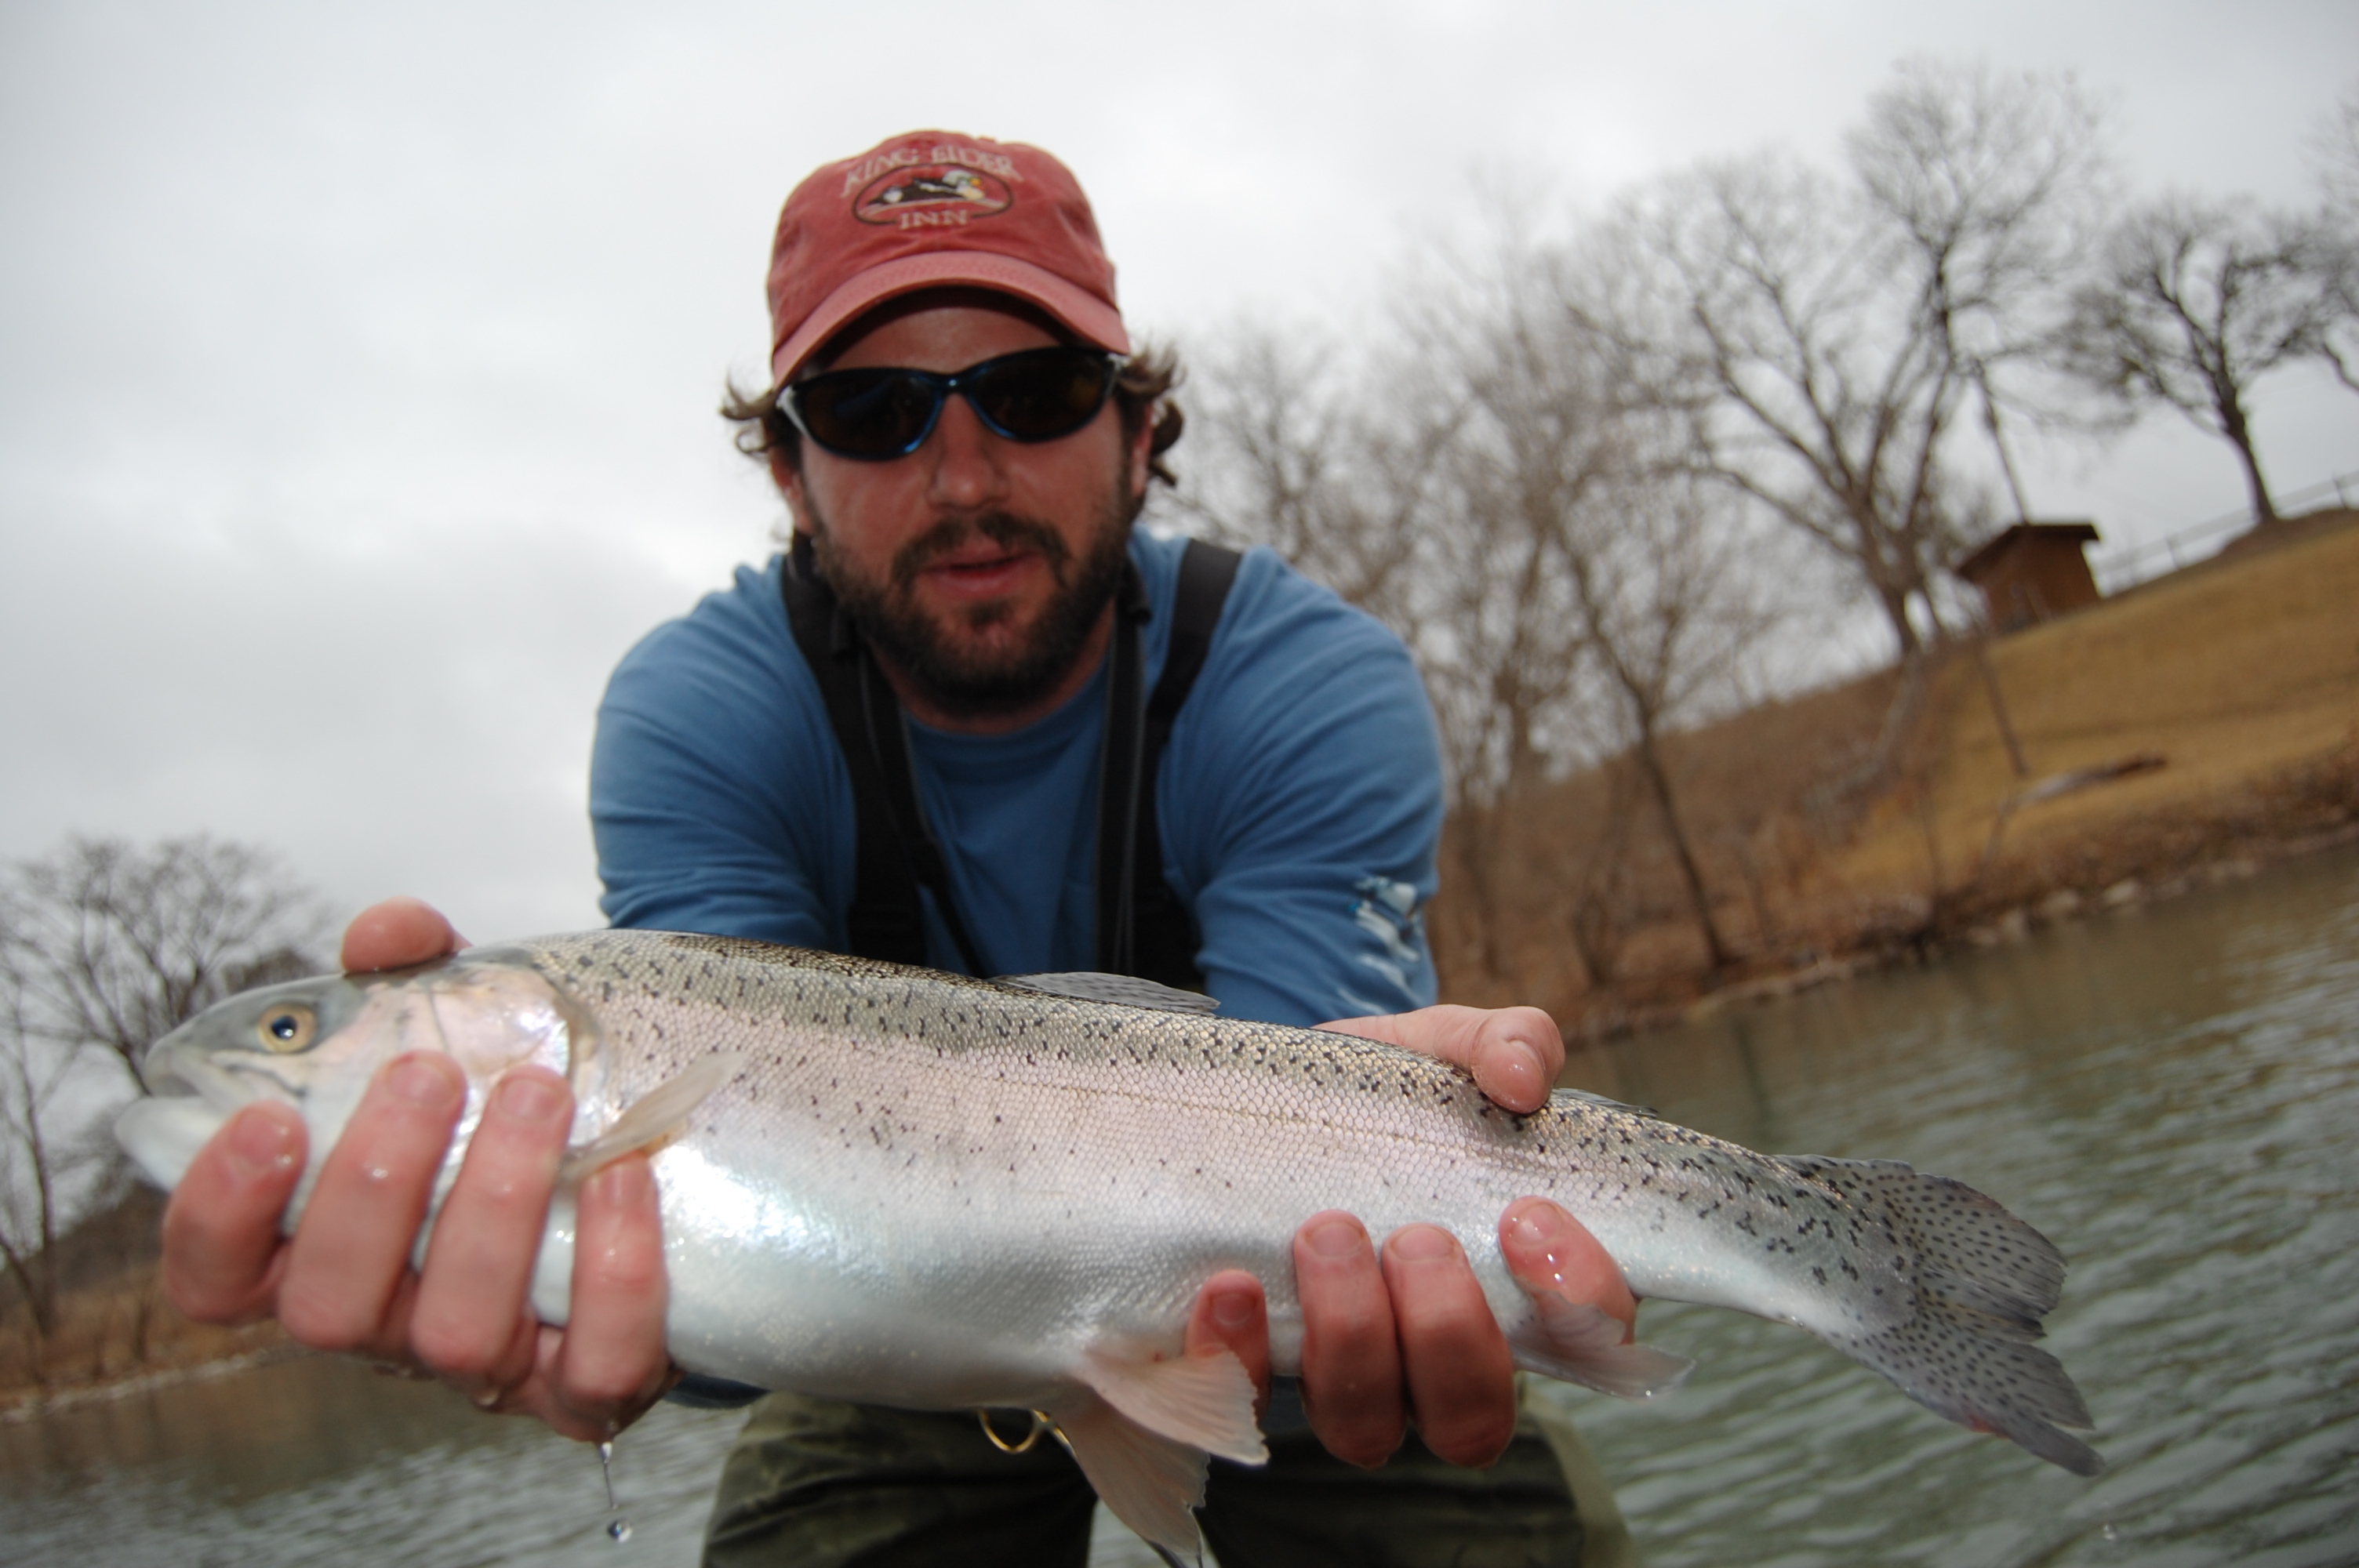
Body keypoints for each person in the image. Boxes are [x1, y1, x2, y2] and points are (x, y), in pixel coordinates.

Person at [157, 130, 1641, 1566]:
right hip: (885, 1331)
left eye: (1038, 392)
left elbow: (1317, 1180)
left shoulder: (1302, 683)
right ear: (792, 475)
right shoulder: (708, 715)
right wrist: (598, 1303)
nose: (965, 474)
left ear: (1139, 435)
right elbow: (747, 1304)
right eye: (874, 412)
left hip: (1317, 1297)